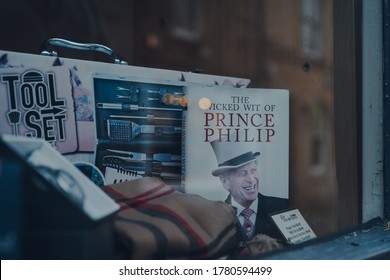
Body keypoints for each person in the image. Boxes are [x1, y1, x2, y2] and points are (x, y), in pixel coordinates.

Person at [210, 139, 288, 242]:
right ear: (225, 182)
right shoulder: (215, 219)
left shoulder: (284, 207)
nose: (251, 179)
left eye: (253, 170)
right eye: (242, 173)